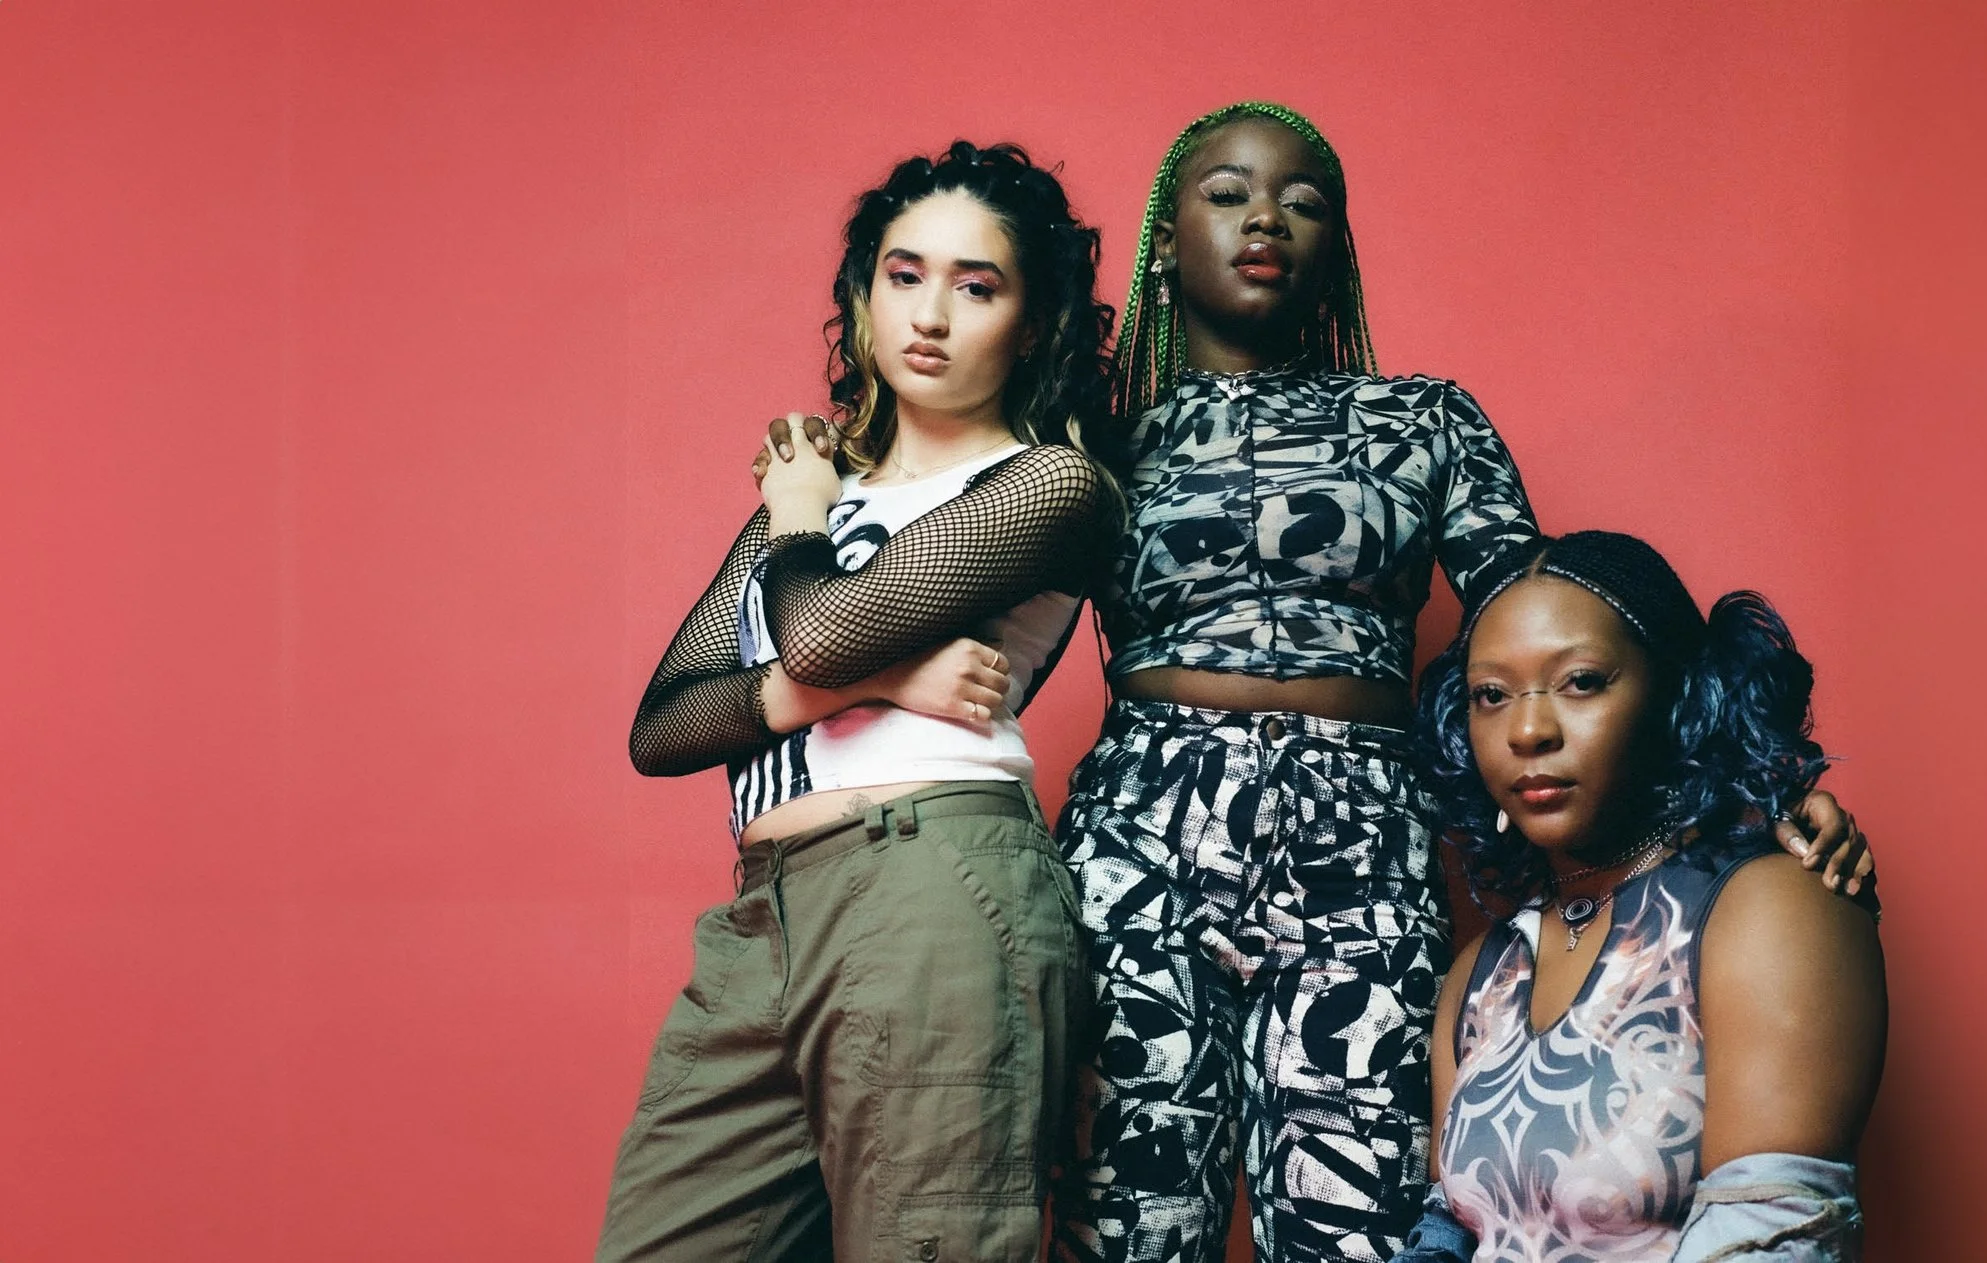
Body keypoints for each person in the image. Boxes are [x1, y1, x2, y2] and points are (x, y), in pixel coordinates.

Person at [1053, 102, 1879, 1263]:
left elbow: (1553, 629)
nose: (1266, 219)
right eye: (1227, 191)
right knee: (1125, 1217)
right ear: (1162, 236)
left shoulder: (1424, 422)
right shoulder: (1086, 435)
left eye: (1303, 200)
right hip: (1140, 830)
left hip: (1357, 841)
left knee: (1358, 1223)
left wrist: (1760, 776)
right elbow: (945, 560)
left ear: (1335, 242)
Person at [601, 141, 1118, 1262]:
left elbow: (819, 626)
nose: (928, 314)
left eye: (975, 287)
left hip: (930, 887)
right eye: (903, 274)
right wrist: (879, 676)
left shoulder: (1046, 482)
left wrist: (798, 519)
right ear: (863, 294)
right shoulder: (831, 489)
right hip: (765, 915)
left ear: (1031, 326)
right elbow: (663, 727)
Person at [1394, 530, 1886, 1262]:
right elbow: (1447, 1236)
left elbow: (1767, 1241)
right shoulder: (1479, 974)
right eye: (1490, 694)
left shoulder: (1774, 907)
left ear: (1676, 693)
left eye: (1582, 680)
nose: (1528, 729)